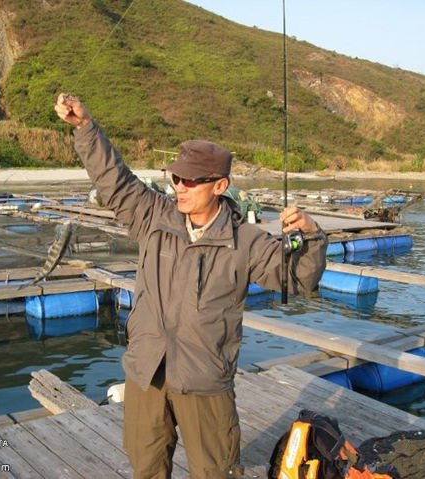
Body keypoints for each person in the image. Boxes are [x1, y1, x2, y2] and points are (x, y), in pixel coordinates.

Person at [54, 93, 327, 479]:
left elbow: (298, 279)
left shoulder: (246, 240)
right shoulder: (153, 216)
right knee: (145, 467)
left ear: (220, 186)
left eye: (192, 181)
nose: (179, 186)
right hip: (147, 372)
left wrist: (312, 237)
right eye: (176, 177)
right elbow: (114, 181)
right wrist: (85, 127)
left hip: (205, 382)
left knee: (214, 472)